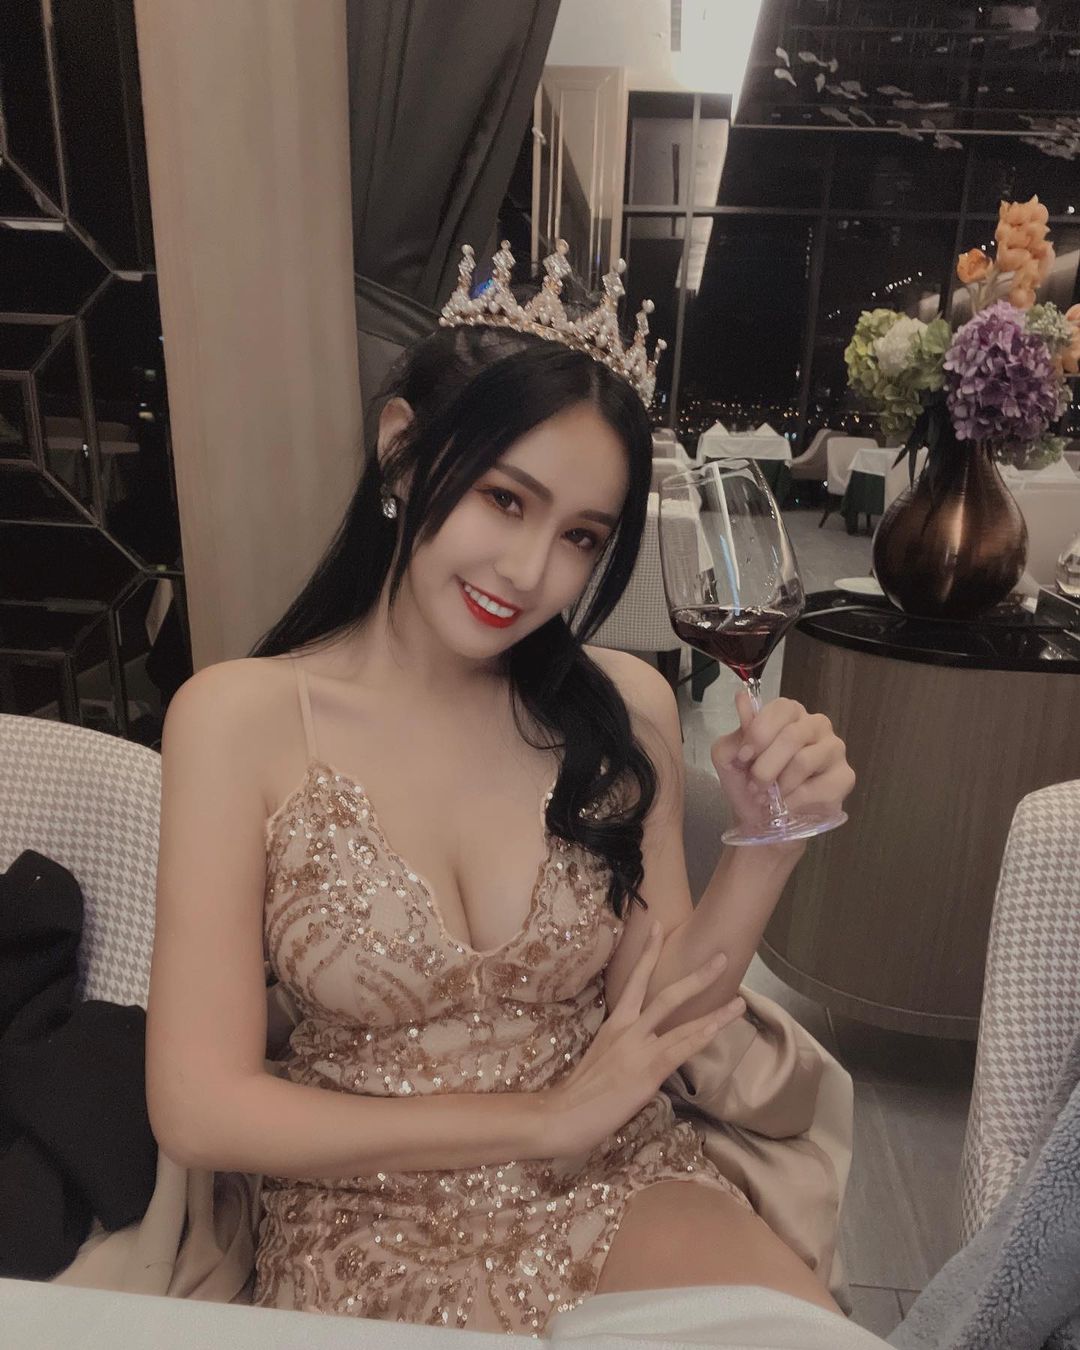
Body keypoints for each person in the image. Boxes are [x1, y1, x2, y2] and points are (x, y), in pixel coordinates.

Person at [146, 244, 857, 1338]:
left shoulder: (623, 710)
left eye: (580, 537)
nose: (529, 573)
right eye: (503, 498)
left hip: (615, 1176)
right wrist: (538, 1119)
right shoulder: (237, 721)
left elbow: (665, 1011)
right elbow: (199, 1107)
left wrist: (768, 841)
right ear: (400, 452)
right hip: (363, 1209)